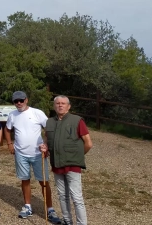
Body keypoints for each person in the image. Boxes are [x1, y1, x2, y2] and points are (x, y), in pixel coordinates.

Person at [4, 91, 62, 223]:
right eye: (16, 101)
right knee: (25, 180)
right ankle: (27, 206)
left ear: (26, 100)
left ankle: (50, 209)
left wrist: (46, 145)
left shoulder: (37, 112)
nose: (19, 103)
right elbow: (7, 130)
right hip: (20, 153)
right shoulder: (12, 115)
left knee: (44, 182)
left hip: (38, 154)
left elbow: (49, 129)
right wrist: (9, 144)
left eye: (21, 100)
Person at [40, 96, 93, 225]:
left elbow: (88, 143)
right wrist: (45, 146)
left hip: (72, 165)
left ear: (69, 106)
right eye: (57, 103)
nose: (60, 105)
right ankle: (67, 221)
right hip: (57, 164)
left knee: (76, 197)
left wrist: (78, 156)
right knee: (62, 196)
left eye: (63, 103)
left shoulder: (77, 120)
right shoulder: (50, 122)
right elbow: (48, 140)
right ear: (54, 106)